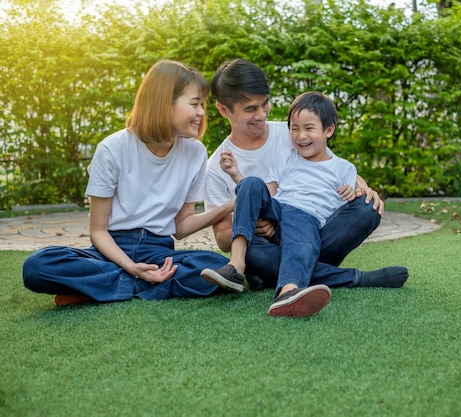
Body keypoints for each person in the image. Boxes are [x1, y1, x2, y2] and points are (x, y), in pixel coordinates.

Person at [22, 59, 234, 306]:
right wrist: (131, 267)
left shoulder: (195, 152)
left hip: (159, 251)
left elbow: (181, 226)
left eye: (202, 105)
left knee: (218, 266)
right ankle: (139, 284)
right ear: (164, 103)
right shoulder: (112, 149)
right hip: (111, 250)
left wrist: (230, 205)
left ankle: (97, 289)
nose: (201, 113)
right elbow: (98, 231)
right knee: (37, 265)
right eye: (195, 104)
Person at [204, 58, 409, 298]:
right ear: (223, 109)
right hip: (266, 242)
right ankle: (356, 278)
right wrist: (256, 225)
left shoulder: (293, 132)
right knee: (255, 249)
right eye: (251, 108)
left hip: (312, 230)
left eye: (265, 103)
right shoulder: (216, 167)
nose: (261, 114)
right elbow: (222, 237)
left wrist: (363, 188)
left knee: (365, 209)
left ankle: (276, 274)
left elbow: (328, 166)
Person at [202, 92, 358, 317]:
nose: (300, 135)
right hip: (279, 210)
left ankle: (288, 290)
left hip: (307, 217)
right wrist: (237, 176)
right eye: (294, 128)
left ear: (329, 130)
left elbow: (343, 209)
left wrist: (351, 191)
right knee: (252, 184)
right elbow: (268, 195)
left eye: (309, 128)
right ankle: (235, 266)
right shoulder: (285, 156)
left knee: (296, 229)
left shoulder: (345, 168)